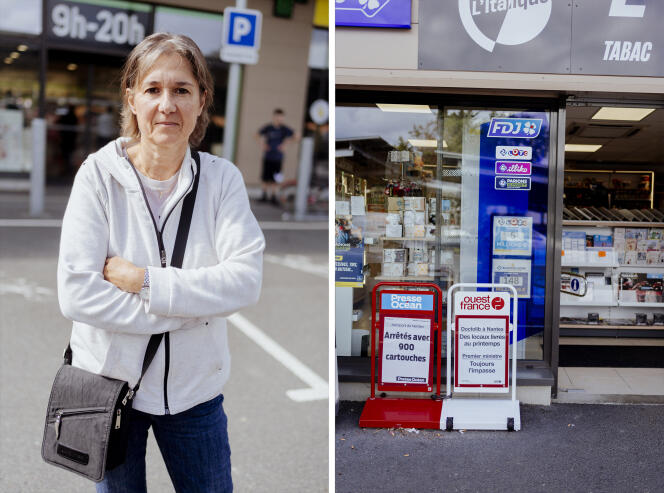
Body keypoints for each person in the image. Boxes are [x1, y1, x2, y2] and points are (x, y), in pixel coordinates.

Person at [57, 33, 265, 492]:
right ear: (131, 98)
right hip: (111, 390)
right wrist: (187, 312)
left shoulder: (221, 180)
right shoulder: (98, 175)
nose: (166, 104)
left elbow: (245, 281)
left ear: (201, 101)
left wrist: (143, 280)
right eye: (153, 89)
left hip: (194, 396)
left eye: (181, 90)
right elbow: (77, 294)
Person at [255, 108, 298, 205]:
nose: (279, 118)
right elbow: (257, 134)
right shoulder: (268, 128)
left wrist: (286, 144)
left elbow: (296, 136)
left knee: (276, 177)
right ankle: (264, 195)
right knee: (266, 177)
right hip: (268, 156)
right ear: (274, 116)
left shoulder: (284, 129)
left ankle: (273, 196)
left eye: (281, 117)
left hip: (278, 157)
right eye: (278, 116)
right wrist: (262, 144)